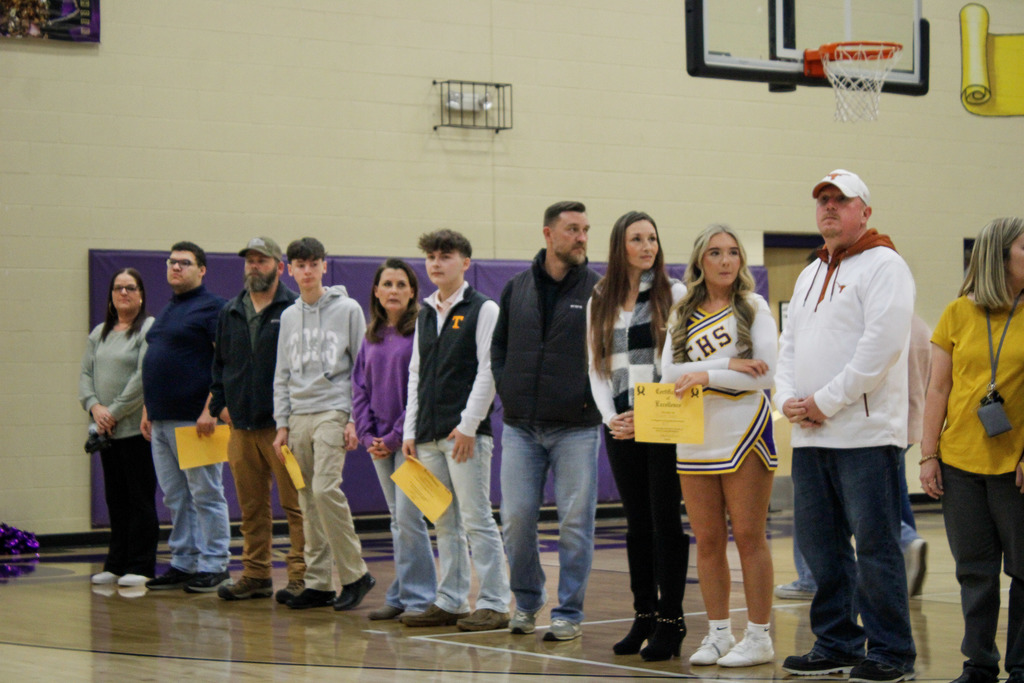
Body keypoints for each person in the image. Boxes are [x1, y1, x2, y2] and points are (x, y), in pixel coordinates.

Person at [776, 170, 916, 683]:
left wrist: (824, 401)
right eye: (823, 201)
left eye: (841, 200)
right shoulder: (811, 272)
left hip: (864, 436)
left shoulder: (886, 266)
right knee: (822, 548)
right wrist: (787, 398)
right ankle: (836, 641)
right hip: (812, 436)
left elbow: (878, 351)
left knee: (875, 547)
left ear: (865, 211)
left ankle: (891, 652)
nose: (829, 208)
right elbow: (788, 344)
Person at [662, 224, 778, 668]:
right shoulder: (681, 310)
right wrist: (728, 364)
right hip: (695, 432)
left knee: (749, 536)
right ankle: (717, 634)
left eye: (733, 252)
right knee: (708, 540)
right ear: (699, 262)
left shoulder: (753, 305)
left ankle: (760, 635)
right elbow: (669, 374)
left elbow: (765, 375)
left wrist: (707, 374)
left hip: (744, 428)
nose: (726, 260)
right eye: (715, 253)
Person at [919, 217, 1024, 683]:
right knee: (975, 573)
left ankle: (1022, 666)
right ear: (1000, 258)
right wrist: (927, 454)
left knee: (1023, 573)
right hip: (960, 464)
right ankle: (979, 664)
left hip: (1015, 466)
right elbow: (937, 389)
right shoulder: (956, 313)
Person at [492, 201, 603, 641]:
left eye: (585, 230)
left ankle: (569, 612)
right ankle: (528, 601)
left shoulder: (598, 290)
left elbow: (610, 358)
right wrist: (508, 388)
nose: (581, 238)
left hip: (576, 428)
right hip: (521, 427)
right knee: (516, 520)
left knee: (576, 522)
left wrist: (587, 401)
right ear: (548, 234)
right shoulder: (516, 288)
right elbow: (498, 349)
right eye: (573, 229)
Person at [586, 211, 690, 660]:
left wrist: (645, 414)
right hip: (621, 425)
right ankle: (643, 614)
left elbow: (676, 364)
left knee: (666, 521)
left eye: (652, 237)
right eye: (637, 239)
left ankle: (672, 619)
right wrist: (611, 417)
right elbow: (595, 364)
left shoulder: (676, 294)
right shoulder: (600, 298)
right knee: (637, 524)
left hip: (664, 420)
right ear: (619, 246)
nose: (647, 246)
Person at [776, 313, 932, 602]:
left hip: (865, 426)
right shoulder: (922, 327)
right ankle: (907, 547)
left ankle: (812, 578)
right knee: (891, 496)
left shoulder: (866, 326)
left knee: (853, 504)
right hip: (907, 423)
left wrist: (819, 402)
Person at [400, 230, 511, 632]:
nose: (435, 263)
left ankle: (495, 602)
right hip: (427, 436)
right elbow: (416, 373)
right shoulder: (425, 311)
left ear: (465, 263)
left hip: (464, 436)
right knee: (443, 522)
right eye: (430, 256)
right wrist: (409, 430)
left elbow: (489, 369)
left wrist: (467, 427)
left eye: (445, 256)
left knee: (477, 519)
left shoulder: (485, 309)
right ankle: (450, 600)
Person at [272, 237, 375, 611]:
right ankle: (317, 583)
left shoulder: (347, 309)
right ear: (291, 269)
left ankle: (355, 574)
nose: (307, 270)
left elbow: (362, 369)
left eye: (314, 263)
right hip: (297, 415)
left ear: (324, 267)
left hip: (333, 411)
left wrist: (353, 419)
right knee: (305, 498)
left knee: (324, 490)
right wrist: (281, 423)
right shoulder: (287, 316)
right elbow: (281, 373)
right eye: (300, 264)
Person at [210, 237, 306, 605]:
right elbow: (218, 366)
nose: (254, 266)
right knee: (250, 506)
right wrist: (220, 405)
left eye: (261, 261)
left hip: (282, 427)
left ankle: (300, 575)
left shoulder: (294, 308)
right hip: (240, 427)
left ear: (280, 268)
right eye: (249, 261)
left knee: (295, 505)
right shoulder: (230, 311)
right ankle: (255, 574)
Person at [141, 242, 231, 593]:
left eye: (184, 263)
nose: (176, 268)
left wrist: (211, 408)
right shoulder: (167, 311)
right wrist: (149, 408)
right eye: (172, 262)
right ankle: (184, 562)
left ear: (202, 270)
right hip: (161, 421)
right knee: (175, 497)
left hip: (197, 422)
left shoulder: (214, 309)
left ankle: (215, 564)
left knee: (206, 493)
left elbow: (223, 363)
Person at [352, 258, 437, 621]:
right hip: (378, 444)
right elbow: (358, 386)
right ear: (376, 290)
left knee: (409, 516)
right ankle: (403, 592)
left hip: (408, 441)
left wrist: (393, 435)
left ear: (413, 292)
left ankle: (419, 598)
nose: (394, 291)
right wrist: (369, 433)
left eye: (401, 284)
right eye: (387, 284)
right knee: (397, 519)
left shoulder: (420, 330)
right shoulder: (371, 334)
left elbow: (421, 388)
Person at [79, 268, 158, 588]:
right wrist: (94, 407)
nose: (123, 293)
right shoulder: (99, 333)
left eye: (130, 288)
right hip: (105, 432)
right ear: (111, 296)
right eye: (117, 288)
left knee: (139, 498)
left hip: (133, 431)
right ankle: (116, 562)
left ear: (140, 294)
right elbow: (86, 374)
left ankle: (141, 564)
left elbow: (141, 379)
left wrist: (112, 412)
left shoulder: (147, 329)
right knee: (116, 498)